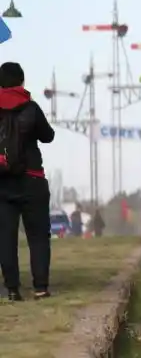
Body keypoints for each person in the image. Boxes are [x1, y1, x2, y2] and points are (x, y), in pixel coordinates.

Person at [0, 62, 55, 301]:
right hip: (32, 179)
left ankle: (12, 290)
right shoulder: (31, 108)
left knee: (5, 238)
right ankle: (40, 287)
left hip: (2, 181)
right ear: (21, 81)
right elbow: (48, 136)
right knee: (38, 236)